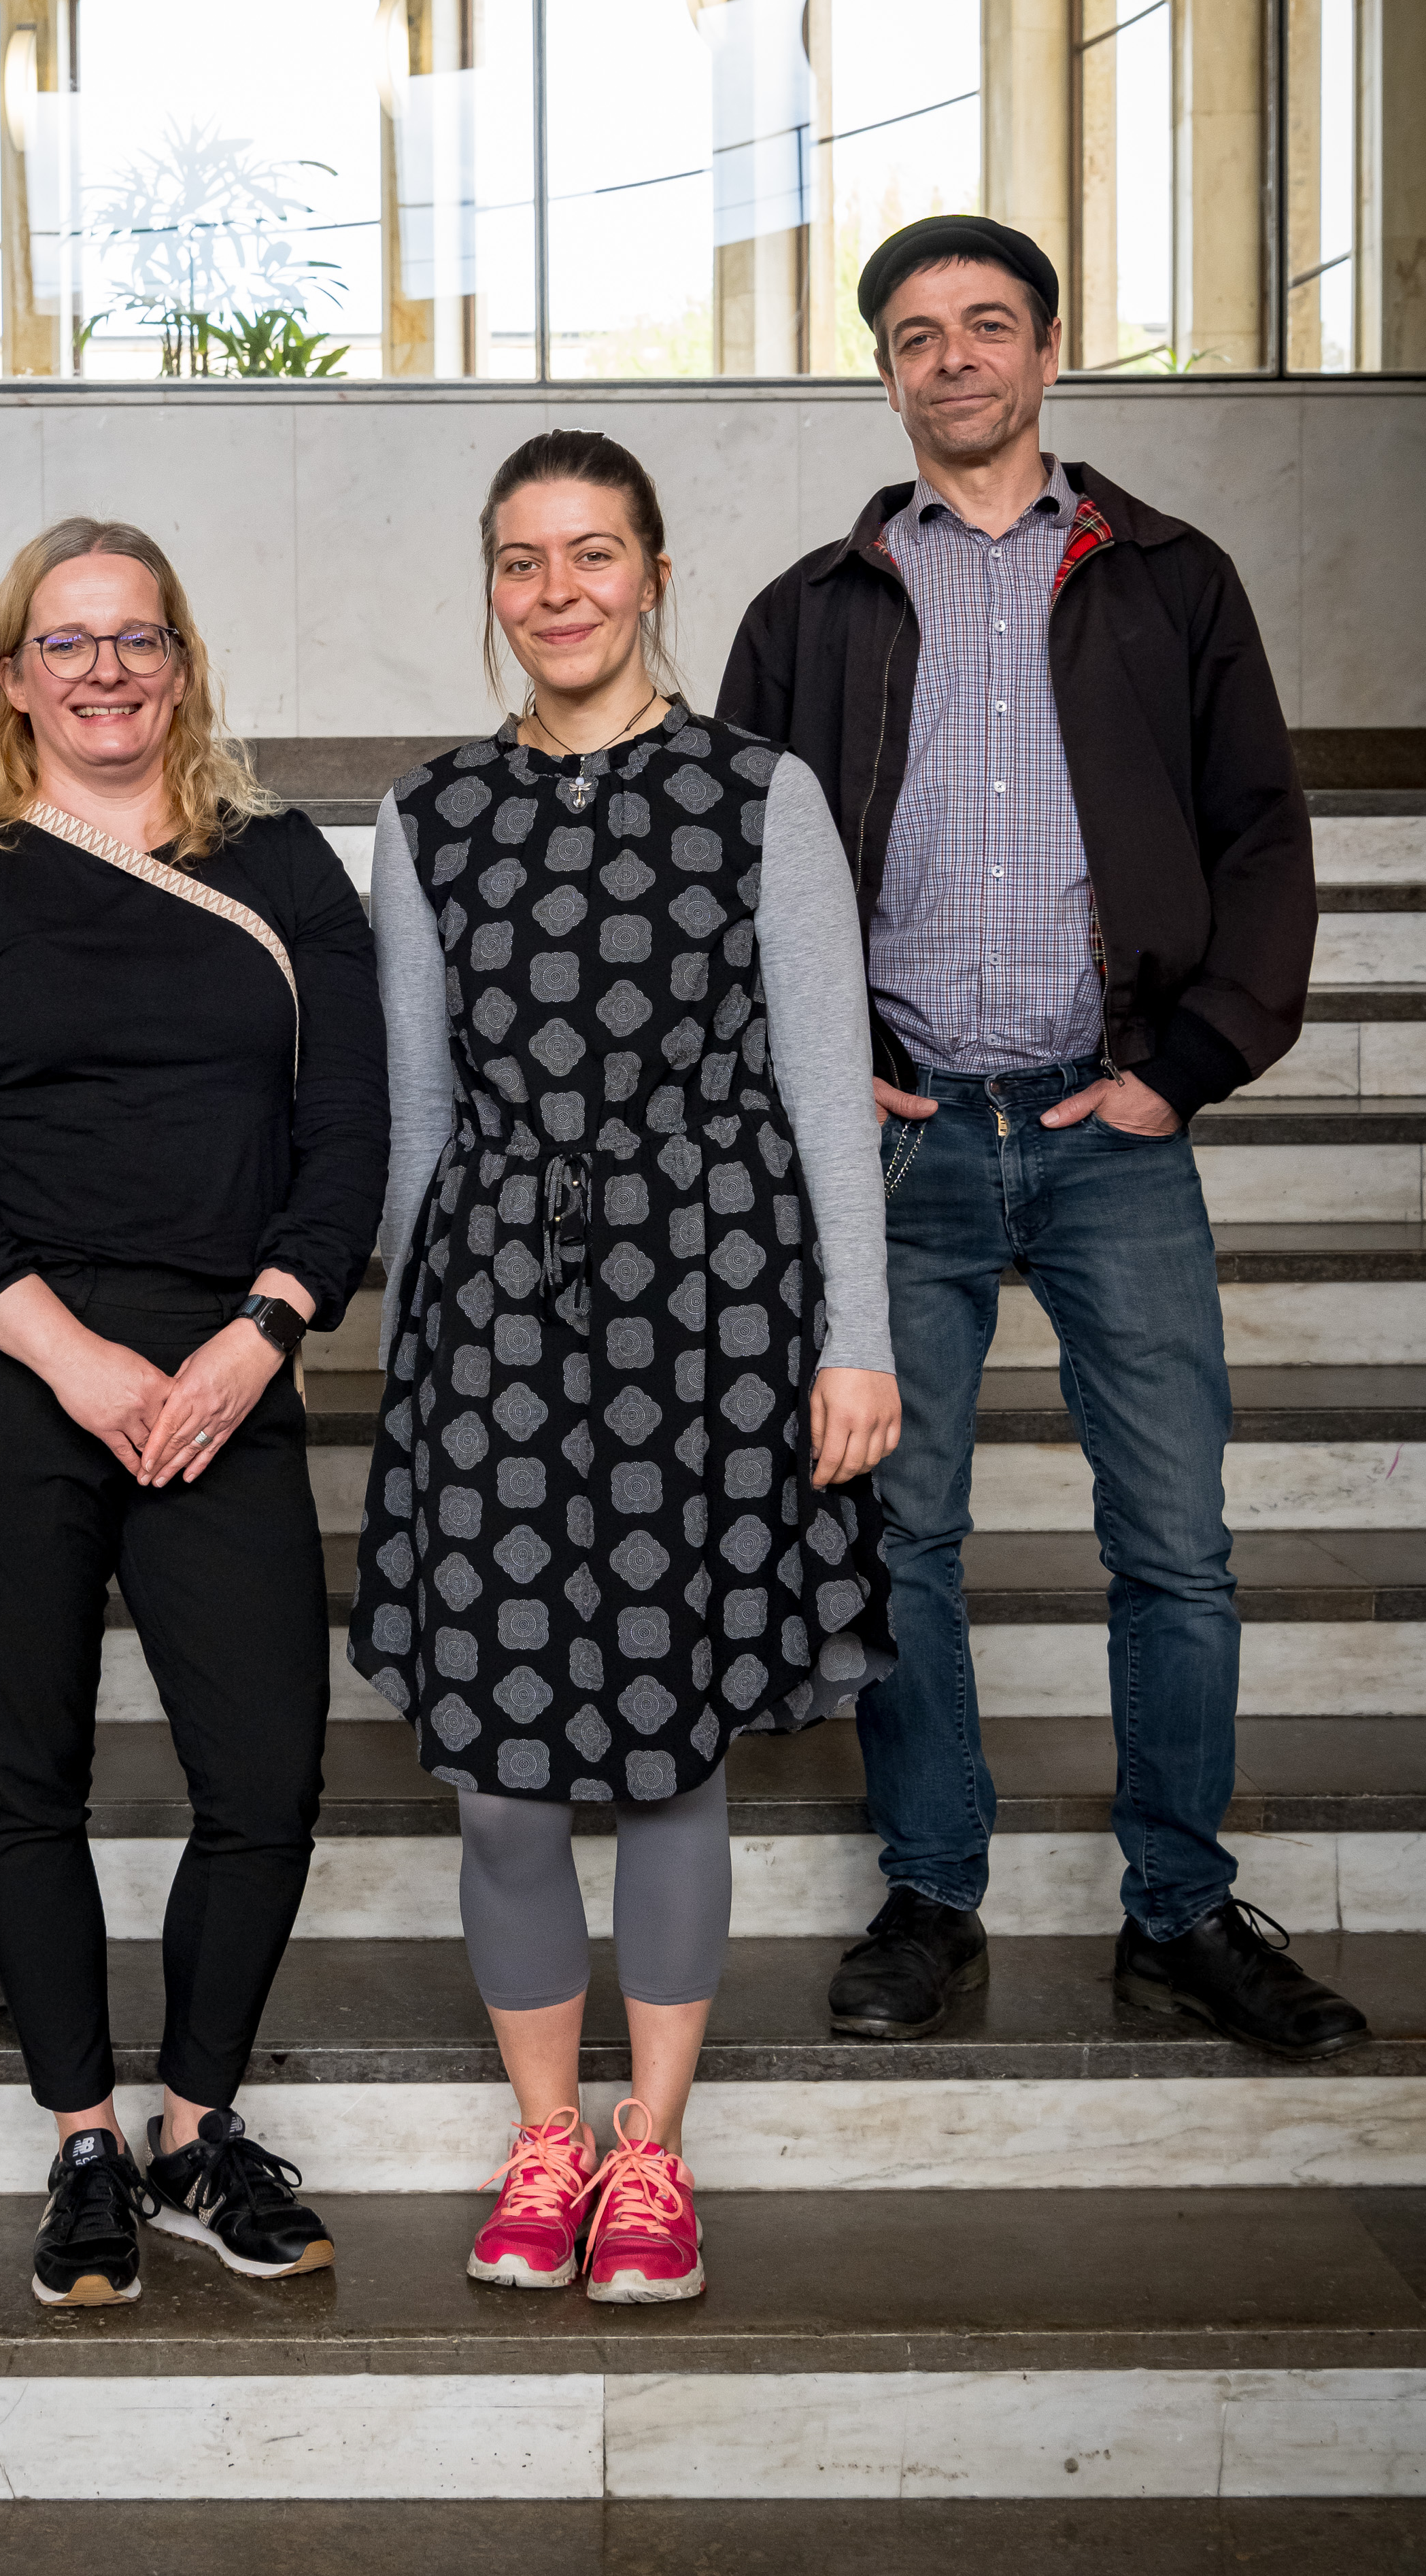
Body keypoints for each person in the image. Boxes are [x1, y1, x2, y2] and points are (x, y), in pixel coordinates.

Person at [719, 210, 1365, 2061]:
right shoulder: (812, 609)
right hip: (903, 1140)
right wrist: (810, 1065)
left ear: (1047, 350)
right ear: (886, 372)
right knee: (898, 1534)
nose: (951, 360)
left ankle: (1178, 1909)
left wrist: (1190, 1059)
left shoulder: (1168, 578)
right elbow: (744, 877)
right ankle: (930, 1892)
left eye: (983, 326)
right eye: (914, 335)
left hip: (1108, 1123)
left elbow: (1259, 835)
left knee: (1172, 1542)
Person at [350, 428, 902, 2307]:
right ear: (492, 587)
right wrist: (415, 1355)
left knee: (668, 1759)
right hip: (493, 1313)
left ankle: (651, 2157)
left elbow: (829, 1088)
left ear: (654, 572)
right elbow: (414, 1116)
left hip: (721, 1300)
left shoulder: (761, 794)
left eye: (592, 553)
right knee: (502, 1782)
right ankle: (543, 2137)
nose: (558, 589)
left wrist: (856, 1339)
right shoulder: (427, 816)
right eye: (522, 559)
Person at [0, 517, 389, 2313]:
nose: (102, 671)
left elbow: (349, 1136)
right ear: (11, 677)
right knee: (28, 1780)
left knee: (262, 1776)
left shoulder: (285, 866)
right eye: (63, 643)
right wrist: (70, 1356)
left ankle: (191, 2133)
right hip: (13, 1365)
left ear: (181, 663)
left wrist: (259, 1332)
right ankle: (81, 2141)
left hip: (225, 1359)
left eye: (133, 638)